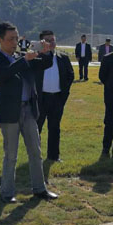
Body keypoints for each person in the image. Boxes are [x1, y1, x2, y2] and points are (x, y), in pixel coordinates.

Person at [0, 22, 58, 203]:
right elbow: (4, 75)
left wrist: (47, 51)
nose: (14, 42)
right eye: (10, 39)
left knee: (35, 152)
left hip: (29, 110)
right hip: (10, 112)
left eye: (16, 38)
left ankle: (40, 189)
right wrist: (25, 60)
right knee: (11, 155)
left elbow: (45, 64)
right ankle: (7, 193)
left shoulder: (21, 57)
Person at [34, 30, 74, 162]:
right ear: (41, 42)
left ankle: (53, 156)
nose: (51, 43)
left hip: (57, 98)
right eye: (47, 40)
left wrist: (64, 94)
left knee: (55, 128)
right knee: (36, 129)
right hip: (40, 99)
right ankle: (35, 156)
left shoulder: (63, 58)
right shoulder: (36, 58)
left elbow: (70, 76)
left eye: (53, 40)